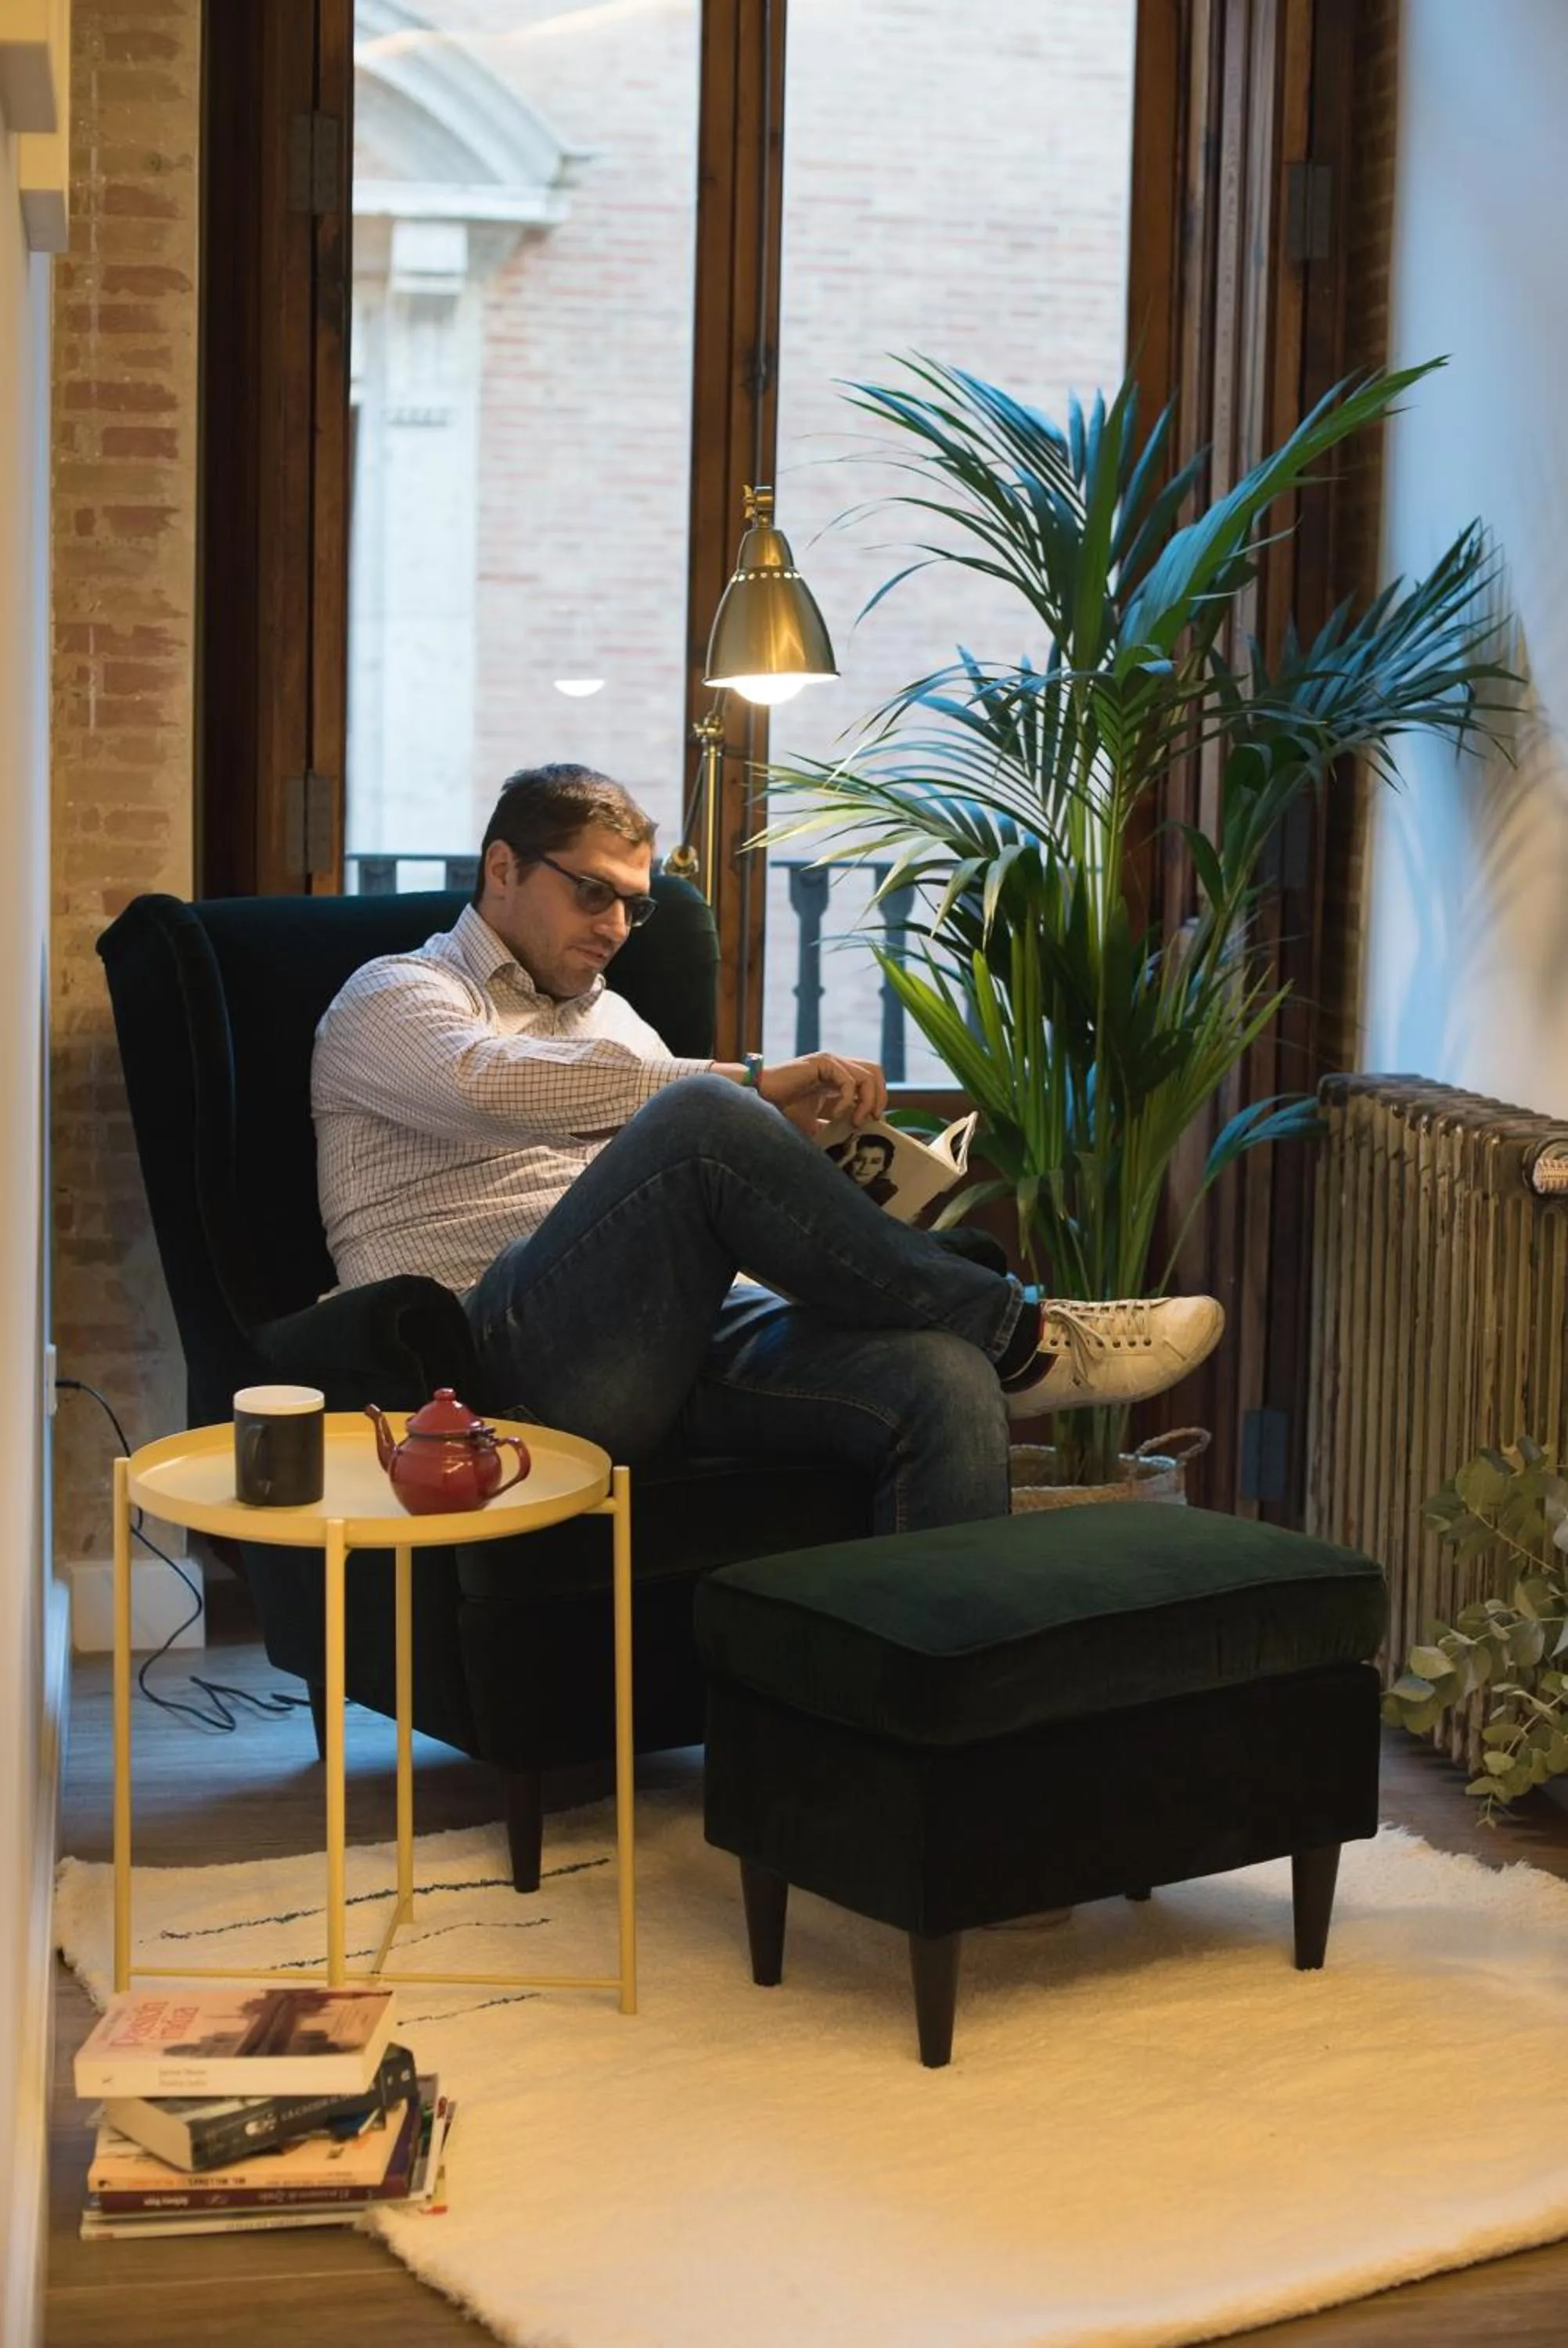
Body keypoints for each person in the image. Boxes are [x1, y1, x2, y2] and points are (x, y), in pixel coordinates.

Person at [311, 764, 1224, 1532]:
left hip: (673, 1340)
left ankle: (922, 1688)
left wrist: (801, 1171)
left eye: (634, 905)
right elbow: (492, 1086)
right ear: (503, 867)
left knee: (941, 1377)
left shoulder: (614, 1021)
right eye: (593, 893)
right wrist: (749, 1087)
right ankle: (1021, 1333)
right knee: (703, 1113)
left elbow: (673, 1195)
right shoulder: (395, 994)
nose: (617, 928)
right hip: (493, 1354)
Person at [827, 1131, 899, 1207]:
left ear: (883, 1166)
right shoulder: (839, 1175)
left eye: (874, 1162)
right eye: (859, 1159)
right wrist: (846, 1157)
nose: (865, 1167)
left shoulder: (886, 1192)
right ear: (850, 1160)